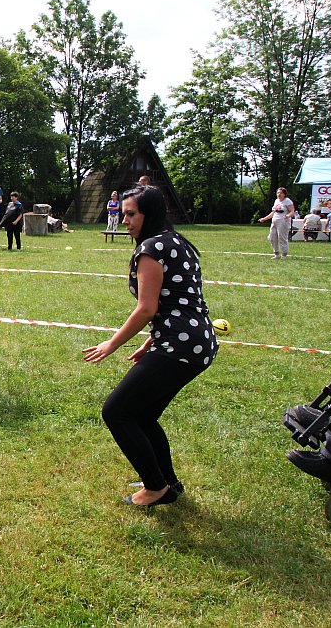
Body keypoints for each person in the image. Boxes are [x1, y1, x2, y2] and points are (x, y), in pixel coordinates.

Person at [83, 185, 218, 507]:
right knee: (143, 415)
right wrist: (153, 340)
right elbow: (178, 302)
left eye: (131, 214)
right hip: (197, 341)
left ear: (149, 214)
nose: (123, 219)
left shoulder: (152, 248)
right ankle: (166, 481)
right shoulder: (176, 242)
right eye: (123, 213)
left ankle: (156, 488)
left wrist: (112, 344)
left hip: (181, 345)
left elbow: (148, 308)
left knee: (117, 412)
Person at [257, 187, 295, 259]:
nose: (279, 194)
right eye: (278, 193)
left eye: (281, 193)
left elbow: (292, 212)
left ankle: (284, 255)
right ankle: (276, 254)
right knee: (272, 237)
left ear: (284, 194)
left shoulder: (287, 201)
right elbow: (273, 212)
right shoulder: (276, 201)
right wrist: (264, 219)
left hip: (283, 222)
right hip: (275, 221)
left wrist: (287, 216)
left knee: (282, 238)